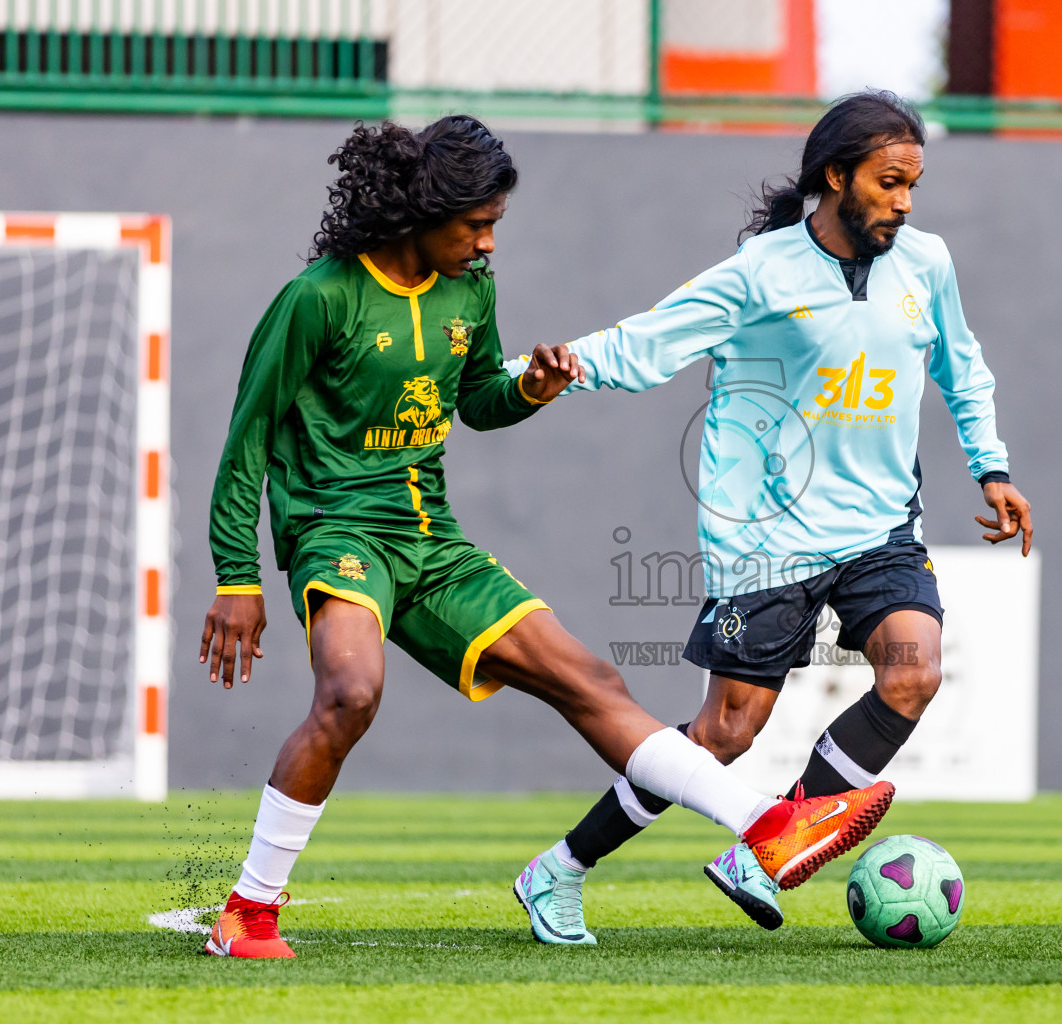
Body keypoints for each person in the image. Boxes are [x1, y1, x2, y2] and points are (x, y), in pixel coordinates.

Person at [197, 115, 894, 959]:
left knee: (590, 678)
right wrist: (238, 577)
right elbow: (248, 441)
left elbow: (478, 402)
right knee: (351, 692)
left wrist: (528, 385)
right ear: (422, 212)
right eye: (477, 226)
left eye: (496, 226)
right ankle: (249, 909)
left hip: (433, 542)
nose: (489, 245)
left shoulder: (469, 290)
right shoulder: (321, 297)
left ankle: (768, 825)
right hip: (337, 532)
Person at [512, 90, 1031, 945]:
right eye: (888, 181)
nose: (904, 201)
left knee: (913, 671)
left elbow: (964, 371)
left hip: (878, 532)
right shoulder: (760, 273)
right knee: (724, 735)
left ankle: (767, 848)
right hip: (767, 540)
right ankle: (559, 870)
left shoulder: (927, 263)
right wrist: (540, 371)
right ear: (836, 177)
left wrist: (993, 468)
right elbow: (647, 342)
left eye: (914, 185)